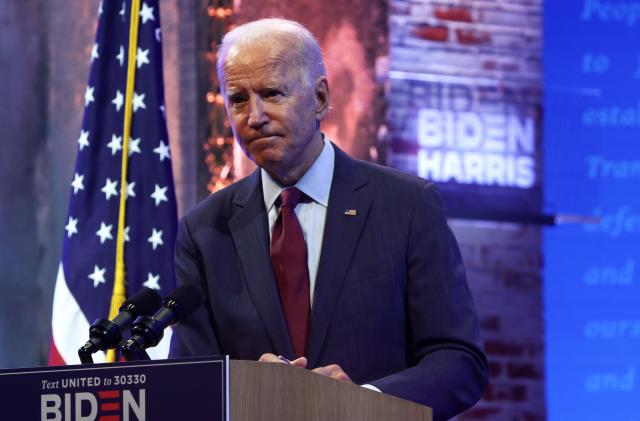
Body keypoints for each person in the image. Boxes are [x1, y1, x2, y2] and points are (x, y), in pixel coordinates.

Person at [170, 18, 488, 420]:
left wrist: (362, 400)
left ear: (319, 97)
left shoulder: (407, 205)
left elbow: (459, 361)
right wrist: (244, 388)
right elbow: (189, 383)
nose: (254, 117)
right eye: (237, 99)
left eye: (271, 93)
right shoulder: (204, 230)